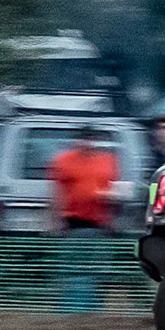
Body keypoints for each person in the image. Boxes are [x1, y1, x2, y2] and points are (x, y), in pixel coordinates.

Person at [46, 126, 119, 311]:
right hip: (73, 223)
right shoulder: (63, 161)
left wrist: (111, 213)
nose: (88, 143)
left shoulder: (107, 160)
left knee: (98, 269)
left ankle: (92, 309)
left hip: (99, 224)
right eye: (85, 139)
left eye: (92, 138)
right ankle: (74, 309)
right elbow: (55, 192)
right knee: (74, 268)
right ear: (77, 140)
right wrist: (56, 219)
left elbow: (115, 188)